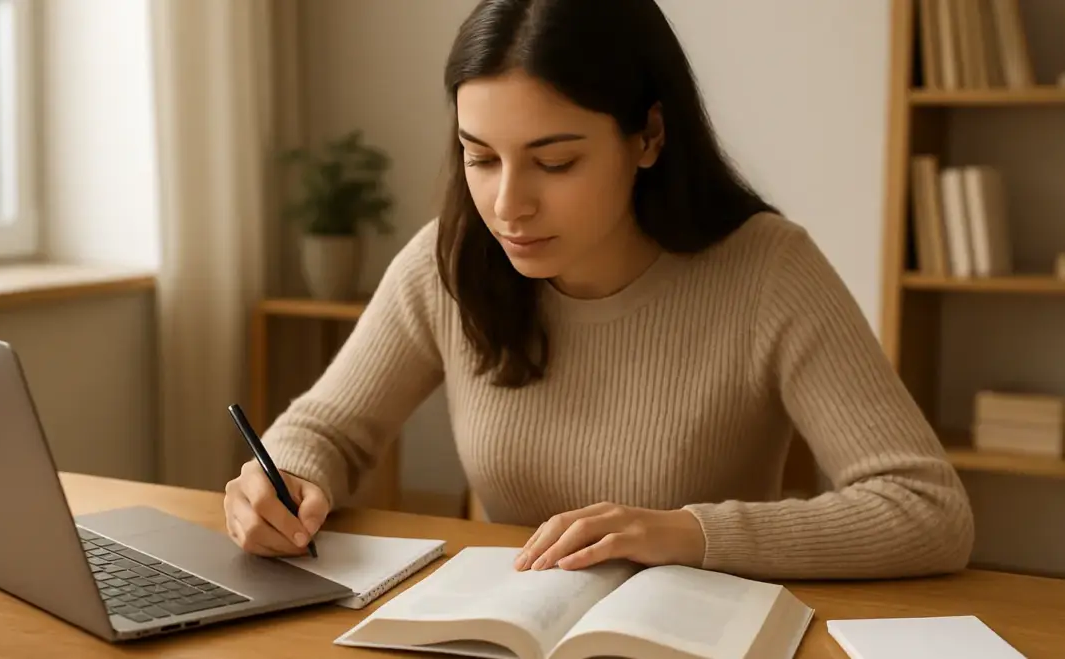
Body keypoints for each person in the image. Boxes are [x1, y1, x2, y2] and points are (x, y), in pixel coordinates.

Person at [223, 0, 974, 581]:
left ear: (649, 136)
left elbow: (926, 509)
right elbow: (328, 428)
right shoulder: (448, 263)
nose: (508, 205)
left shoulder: (768, 270)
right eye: (480, 158)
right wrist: (281, 477)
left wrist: (685, 531)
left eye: (554, 163)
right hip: (509, 632)